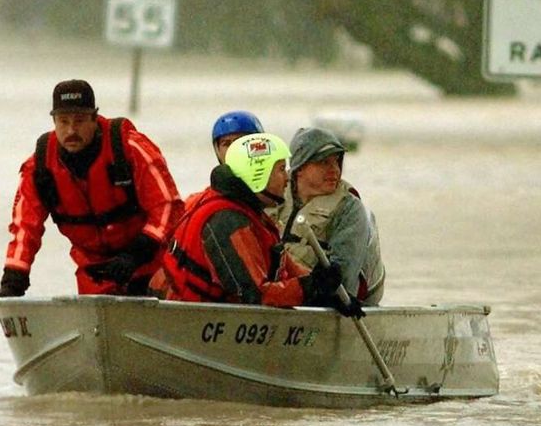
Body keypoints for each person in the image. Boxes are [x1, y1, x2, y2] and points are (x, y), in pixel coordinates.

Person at [0, 79, 184, 304]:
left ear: (95, 118)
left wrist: (136, 254)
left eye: (80, 121)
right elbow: (24, 228)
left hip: (153, 264)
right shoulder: (39, 169)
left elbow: (169, 206)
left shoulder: (132, 149)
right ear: (53, 122)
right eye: (63, 121)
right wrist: (12, 282)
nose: (71, 130)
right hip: (96, 274)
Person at [153, 132, 346, 308]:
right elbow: (255, 296)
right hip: (187, 317)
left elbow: (283, 263)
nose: (288, 178)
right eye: (281, 169)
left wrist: (325, 288)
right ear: (258, 175)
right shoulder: (227, 221)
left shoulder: (246, 209)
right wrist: (310, 287)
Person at [277, 127, 385, 305]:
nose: (334, 170)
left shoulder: (349, 208)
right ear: (300, 167)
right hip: (279, 294)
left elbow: (345, 278)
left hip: (323, 301)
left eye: (337, 162)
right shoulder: (273, 193)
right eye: (324, 163)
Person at [184, 110, 265, 209]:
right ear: (217, 151)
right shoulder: (197, 203)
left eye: (241, 142)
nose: (233, 149)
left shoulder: (279, 192)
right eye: (226, 144)